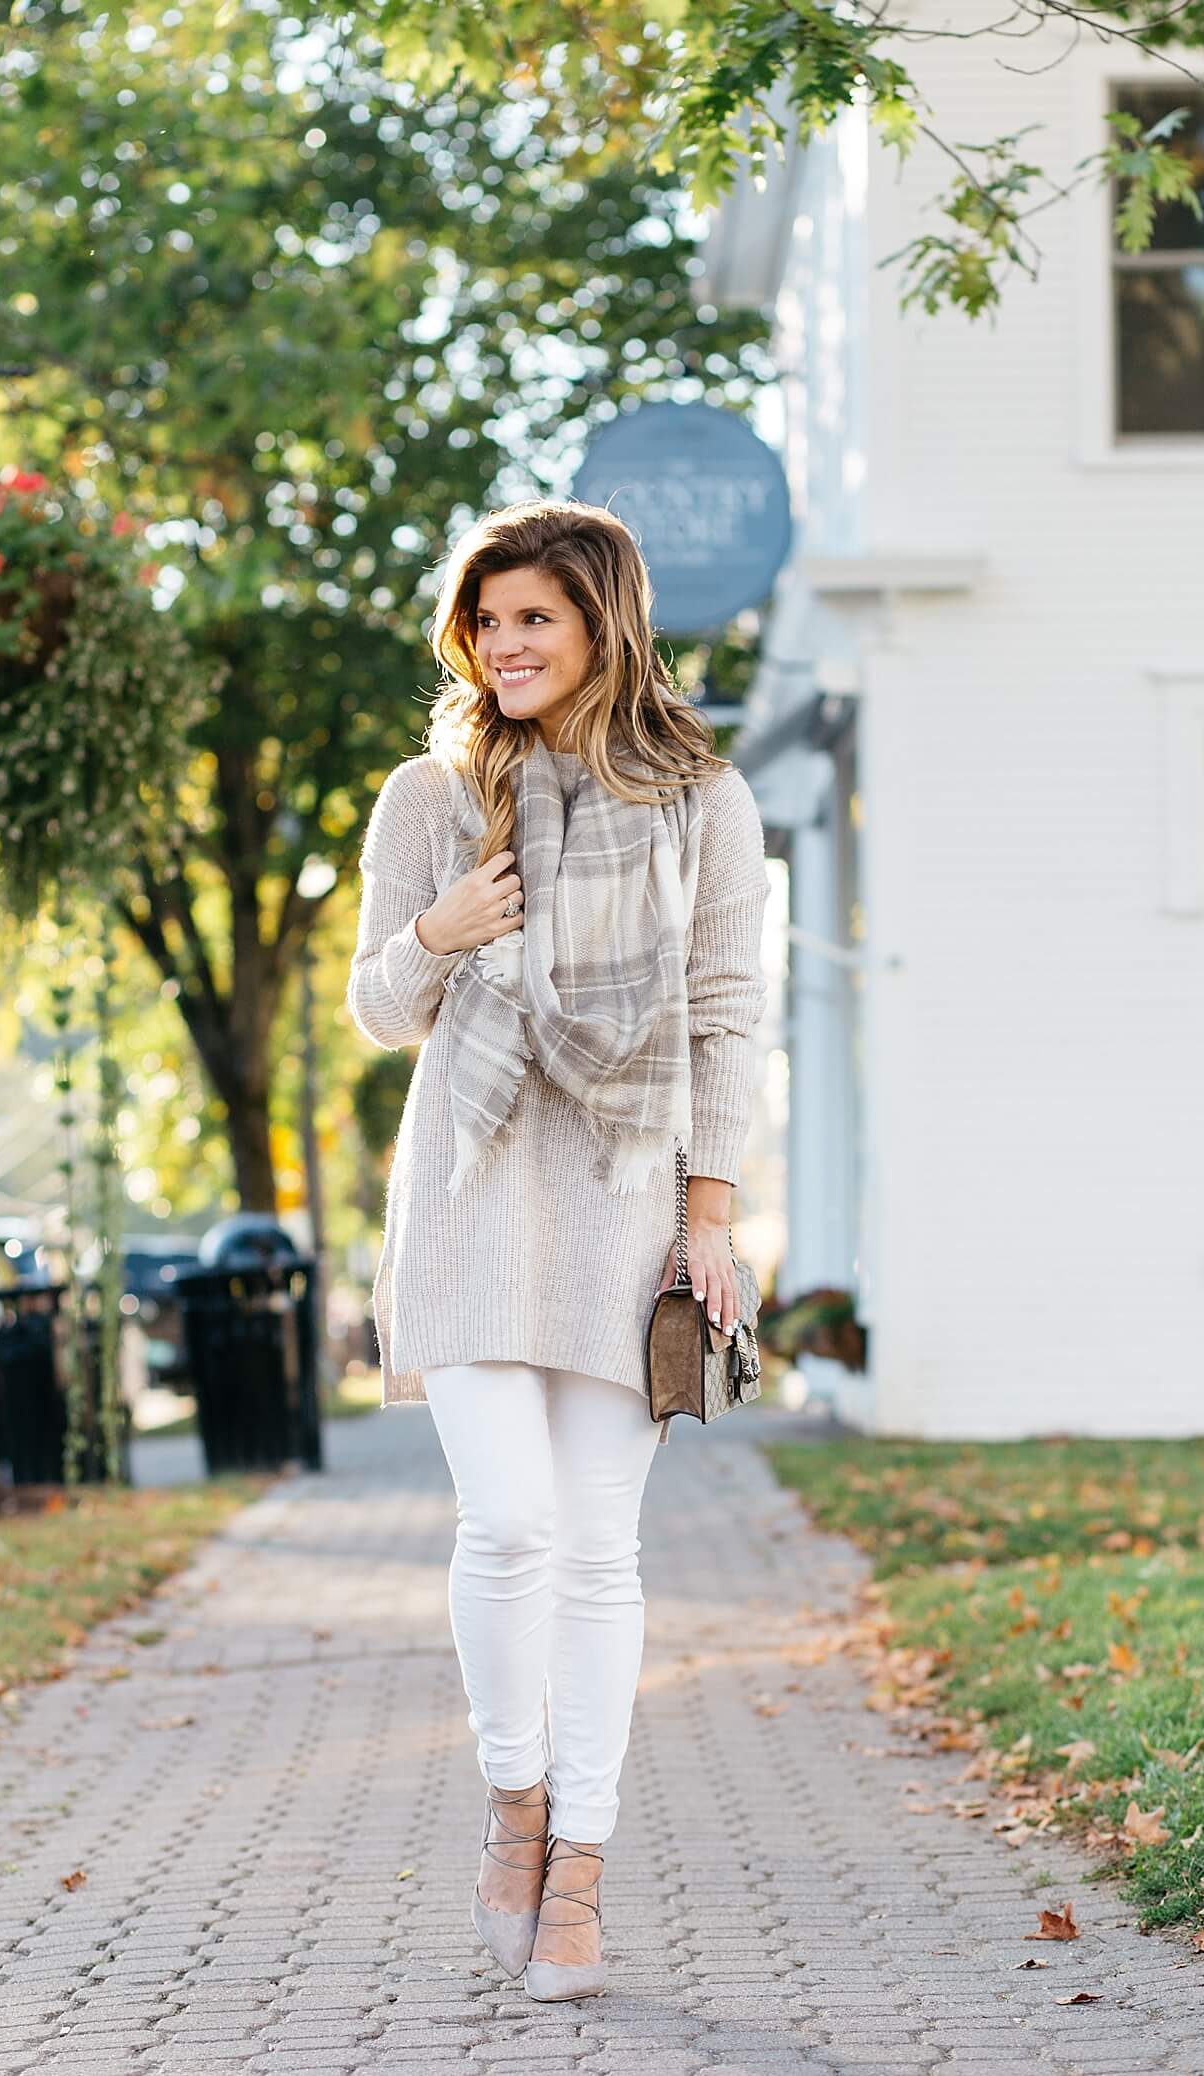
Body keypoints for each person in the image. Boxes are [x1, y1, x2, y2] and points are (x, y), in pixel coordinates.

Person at [346, 498, 769, 2001]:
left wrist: (707, 1220)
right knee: (509, 1526)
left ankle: (577, 1869)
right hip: (466, 1199)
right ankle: (513, 1802)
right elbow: (382, 1013)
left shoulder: (700, 802)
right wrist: (443, 930)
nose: (506, 643)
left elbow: (727, 1012)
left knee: (598, 1550)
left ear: (604, 623)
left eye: (537, 616)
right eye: (487, 618)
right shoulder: (429, 797)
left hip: (624, 1199)